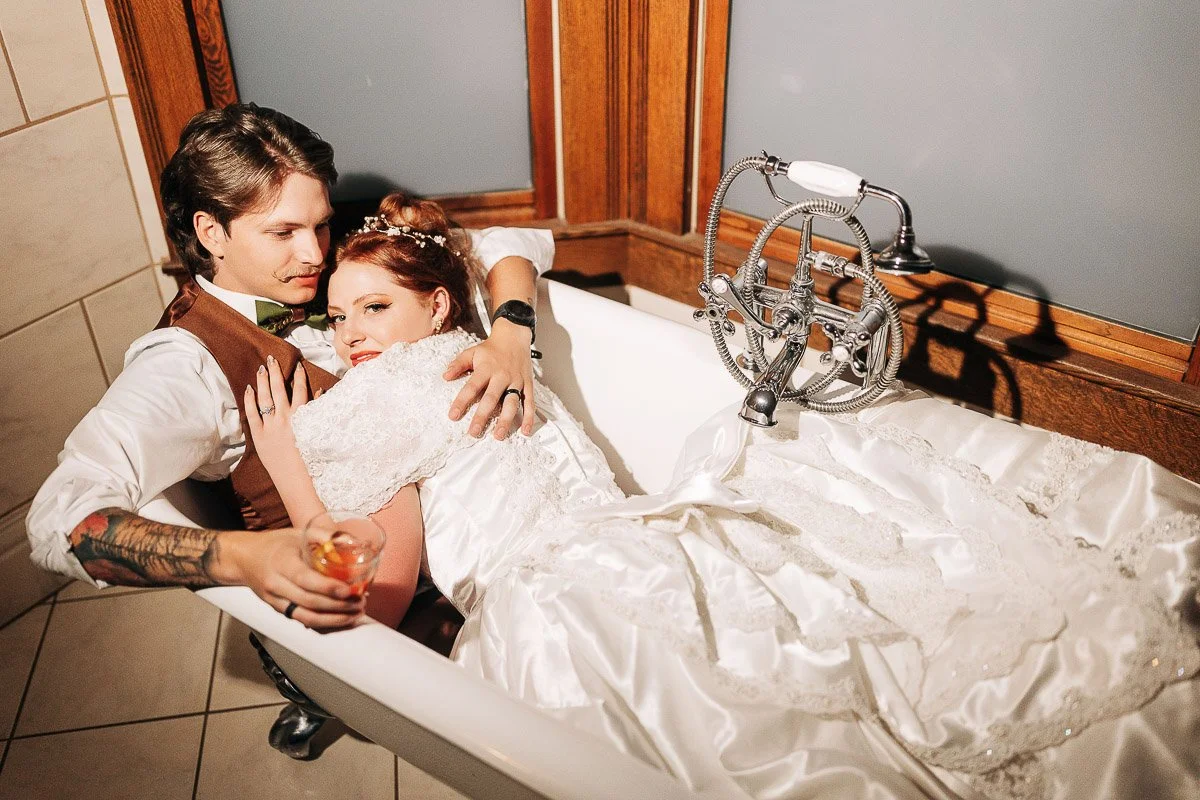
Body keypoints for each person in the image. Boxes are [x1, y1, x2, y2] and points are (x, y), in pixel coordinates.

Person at [247, 193, 1200, 799]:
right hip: (612, 553)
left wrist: (295, 457)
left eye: (374, 307)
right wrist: (505, 330)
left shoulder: (426, 373)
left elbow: (361, 589)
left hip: (579, 576)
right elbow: (511, 243)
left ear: (437, 304)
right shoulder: (458, 360)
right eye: (337, 318)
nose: (352, 336)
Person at [26, 104, 552, 623]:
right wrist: (239, 557)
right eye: (282, 233)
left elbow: (506, 242)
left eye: (320, 226)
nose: (314, 255)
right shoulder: (186, 365)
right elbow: (60, 519)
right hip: (381, 609)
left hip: (493, 541)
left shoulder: (320, 271)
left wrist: (511, 329)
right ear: (212, 233)